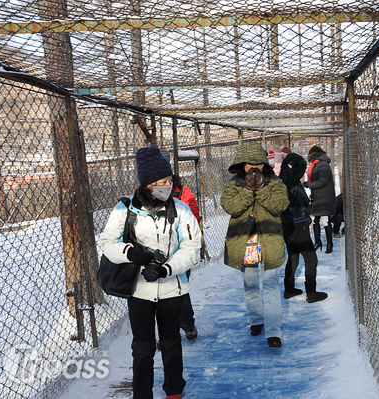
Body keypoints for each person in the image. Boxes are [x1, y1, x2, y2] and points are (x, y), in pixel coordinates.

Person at [100, 146, 201, 399]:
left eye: (169, 180)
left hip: (172, 288)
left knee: (170, 343)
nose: (167, 186)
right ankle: (142, 394)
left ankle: (174, 391)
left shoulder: (181, 209)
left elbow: (191, 248)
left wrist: (167, 268)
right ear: (147, 184)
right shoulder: (125, 208)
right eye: (161, 182)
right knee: (143, 348)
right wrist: (131, 254)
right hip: (139, 290)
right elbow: (107, 242)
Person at [220, 142, 289, 348]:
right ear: (242, 165)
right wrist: (248, 191)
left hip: (270, 242)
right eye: (249, 164)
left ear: (264, 165)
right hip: (245, 243)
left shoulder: (275, 183)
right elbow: (230, 206)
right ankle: (256, 320)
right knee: (250, 285)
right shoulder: (234, 185)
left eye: (258, 164)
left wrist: (262, 190)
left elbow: (280, 206)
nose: (254, 168)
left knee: (270, 286)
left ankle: (273, 332)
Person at [279, 147, 328, 303]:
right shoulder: (287, 178)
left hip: (287, 222)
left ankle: (289, 289)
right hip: (297, 222)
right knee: (310, 258)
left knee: (293, 256)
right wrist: (287, 156)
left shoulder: (278, 178)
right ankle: (311, 293)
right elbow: (300, 162)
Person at [172, 174, 201, 341]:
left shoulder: (184, 193)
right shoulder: (142, 194)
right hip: (155, 253)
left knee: (180, 289)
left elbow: (193, 219)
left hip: (180, 250)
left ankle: (188, 325)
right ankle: (168, 332)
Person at [303, 145, 336, 254]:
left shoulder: (323, 164)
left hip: (325, 198)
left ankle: (329, 244)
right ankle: (318, 242)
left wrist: (309, 185)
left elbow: (323, 181)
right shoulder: (318, 163)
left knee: (325, 220)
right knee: (314, 219)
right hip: (317, 197)